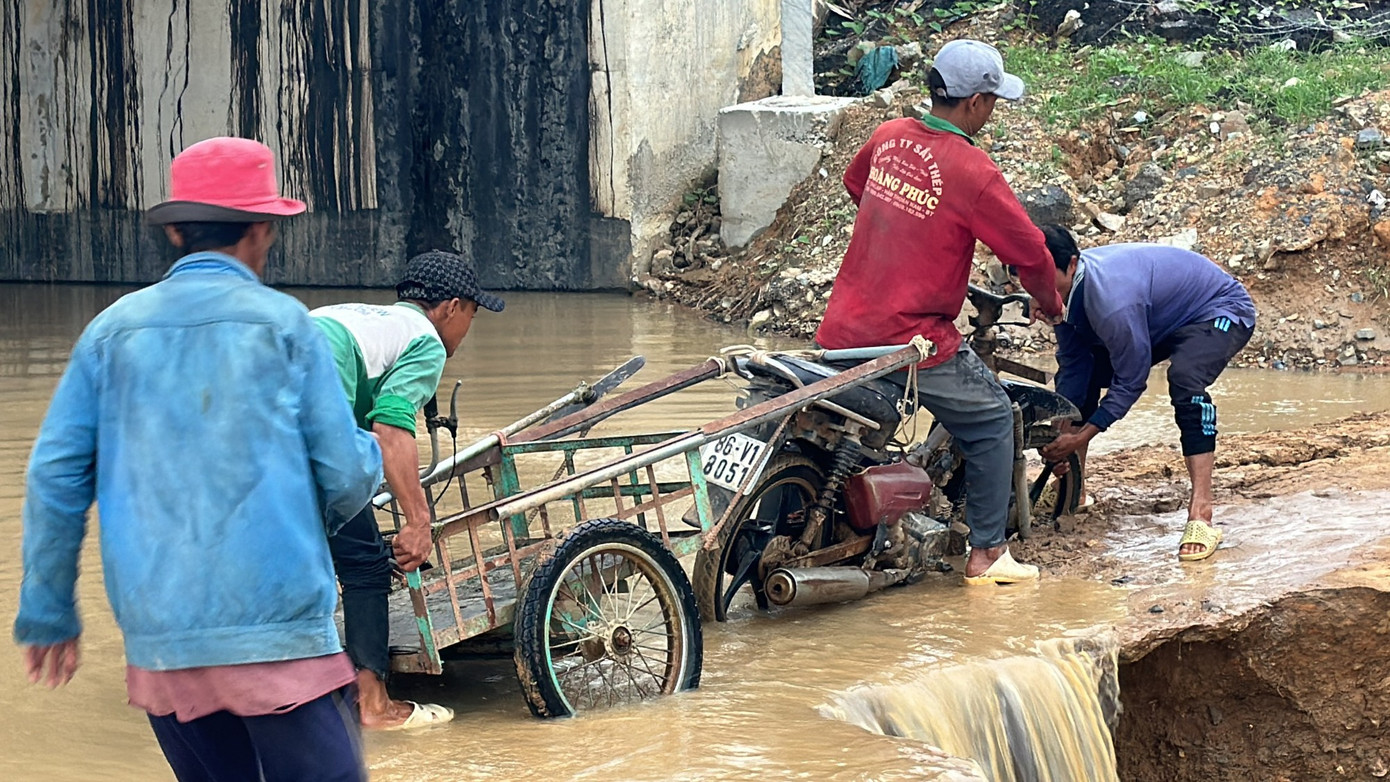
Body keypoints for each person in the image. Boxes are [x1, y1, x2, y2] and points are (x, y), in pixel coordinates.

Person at [14, 137, 383, 780]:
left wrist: (48, 609)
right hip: (277, 636)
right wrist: (368, 459)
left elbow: (55, 475)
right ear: (265, 229)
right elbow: (346, 474)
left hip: (164, 645)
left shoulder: (108, 333)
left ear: (177, 230)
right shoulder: (285, 326)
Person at [815, 39, 1065, 585]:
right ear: (975, 102)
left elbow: (856, 184)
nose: (992, 111)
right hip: (910, 339)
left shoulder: (886, 136)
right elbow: (1029, 254)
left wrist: (908, 232)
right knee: (995, 417)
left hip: (841, 329)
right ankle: (988, 554)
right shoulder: (974, 172)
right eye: (993, 101)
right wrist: (1051, 305)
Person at [311, 249, 504, 729]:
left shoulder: (357, 318)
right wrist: (420, 522)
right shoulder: (426, 340)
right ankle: (373, 704)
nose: (465, 331)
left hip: (252, 431)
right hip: (306, 436)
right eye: (472, 317)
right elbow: (391, 431)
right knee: (364, 566)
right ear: (452, 307)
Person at [1036, 225, 1256, 561]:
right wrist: (1062, 430)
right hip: (1157, 318)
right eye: (1024, 278)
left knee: (1185, 380)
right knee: (1087, 371)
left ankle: (1202, 513)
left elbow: (1131, 380)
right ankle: (1075, 490)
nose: (1035, 287)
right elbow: (1074, 366)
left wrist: (1082, 437)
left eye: (1042, 277)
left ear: (1071, 265)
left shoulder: (1111, 304)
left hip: (1219, 309)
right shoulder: (1059, 293)